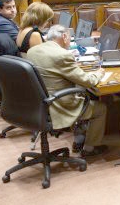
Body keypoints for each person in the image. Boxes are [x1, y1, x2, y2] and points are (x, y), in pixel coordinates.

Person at [26, 25, 108, 157]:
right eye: (69, 38)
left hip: (38, 103)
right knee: (100, 108)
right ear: (64, 37)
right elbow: (88, 81)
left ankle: (79, 137)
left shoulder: (33, 51)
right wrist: (99, 72)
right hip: (59, 106)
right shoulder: (62, 55)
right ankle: (89, 148)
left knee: (81, 91)